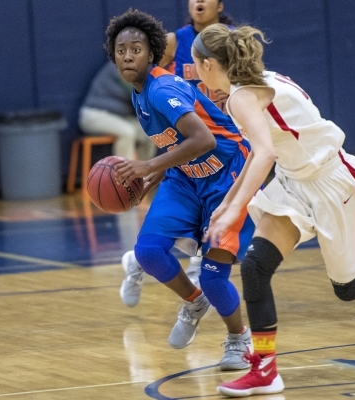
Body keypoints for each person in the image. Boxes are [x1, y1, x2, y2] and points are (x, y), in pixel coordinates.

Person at [192, 24, 355, 397]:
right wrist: (226, 205)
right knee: (256, 267)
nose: (193, 71)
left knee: (348, 287)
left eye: (195, 65)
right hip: (295, 183)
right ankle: (265, 370)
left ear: (209, 64)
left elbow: (265, 155)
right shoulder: (253, 84)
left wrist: (234, 211)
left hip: (334, 183)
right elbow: (261, 155)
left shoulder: (242, 97)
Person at [105, 9, 255, 371]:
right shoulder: (139, 94)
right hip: (186, 177)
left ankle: (240, 339)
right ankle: (193, 302)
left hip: (228, 175)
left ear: (153, 54)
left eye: (136, 49)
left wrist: (147, 166)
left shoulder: (162, 88)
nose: (127, 55)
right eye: (121, 50)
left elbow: (202, 139)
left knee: (214, 276)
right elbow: (178, 142)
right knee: (149, 252)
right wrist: (156, 175)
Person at [120, 0, 234, 308]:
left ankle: (142, 263)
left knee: (214, 236)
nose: (198, 1)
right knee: (196, 235)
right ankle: (151, 266)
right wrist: (157, 165)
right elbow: (156, 87)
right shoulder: (174, 43)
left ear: (220, 5)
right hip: (189, 143)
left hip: (226, 143)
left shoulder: (234, 40)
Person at [79, 61, 156, 160]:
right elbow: (139, 95)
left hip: (120, 117)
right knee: (127, 132)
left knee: (151, 133)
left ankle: (145, 172)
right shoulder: (120, 66)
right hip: (94, 115)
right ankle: (125, 174)